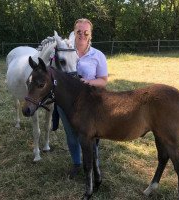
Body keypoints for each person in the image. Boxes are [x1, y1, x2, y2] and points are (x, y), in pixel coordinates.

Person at [57, 18, 108, 179]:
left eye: (86, 32)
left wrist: (87, 81)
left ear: (90, 34)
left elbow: (103, 80)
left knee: (91, 136)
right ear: (74, 32)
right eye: (79, 31)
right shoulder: (63, 51)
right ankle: (76, 163)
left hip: (89, 104)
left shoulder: (97, 55)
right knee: (71, 135)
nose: (82, 34)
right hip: (66, 103)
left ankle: (94, 165)